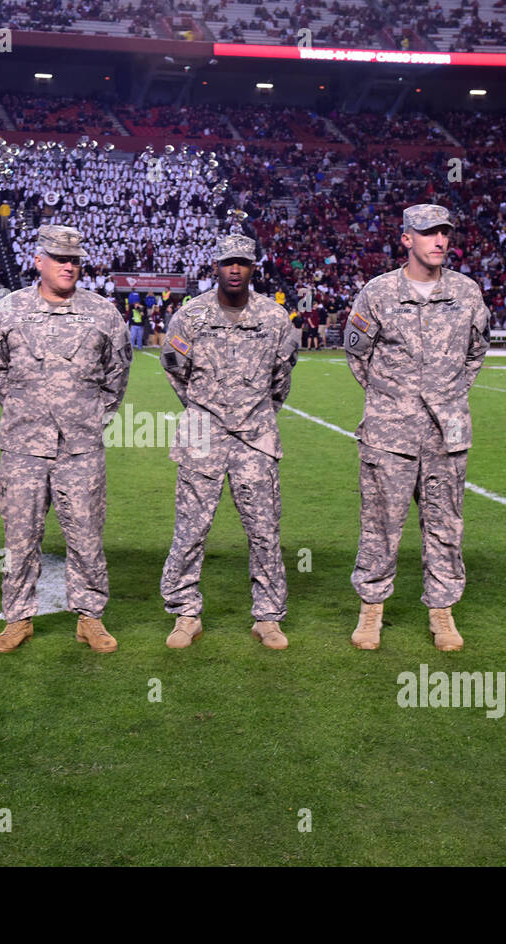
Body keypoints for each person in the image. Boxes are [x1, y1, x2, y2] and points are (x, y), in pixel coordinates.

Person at [0, 224, 131, 653]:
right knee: (20, 537)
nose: (68, 266)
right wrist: (23, 409)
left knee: (85, 535)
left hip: (81, 448)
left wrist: (89, 417)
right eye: (59, 258)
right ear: (38, 261)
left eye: (75, 260)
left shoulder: (103, 313)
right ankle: (18, 619)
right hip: (24, 446)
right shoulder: (8, 311)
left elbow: (117, 373)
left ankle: (90, 618)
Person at [344, 204, 490, 652]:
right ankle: (371, 610)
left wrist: (446, 397)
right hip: (390, 433)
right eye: (428, 233)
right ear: (406, 238)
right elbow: (357, 355)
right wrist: (395, 401)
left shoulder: (467, 293)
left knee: (445, 525)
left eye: (444, 232)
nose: (439, 241)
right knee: (380, 525)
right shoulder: (378, 292)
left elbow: (475, 353)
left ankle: (441, 613)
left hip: (447, 432)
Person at [159, 234, 299, 650]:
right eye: (227, 263)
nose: (235, 269)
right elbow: (176, 371)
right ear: (215, 267)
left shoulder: (275, 318)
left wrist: (253, 415)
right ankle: (186, 614)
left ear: (254, 268)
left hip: (256, 438)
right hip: (202, 435)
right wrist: (205, 410)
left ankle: (268, 617)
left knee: (264, 531)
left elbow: (281, 380)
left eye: (242, 263)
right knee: (190, 529)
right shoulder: (191, 316)